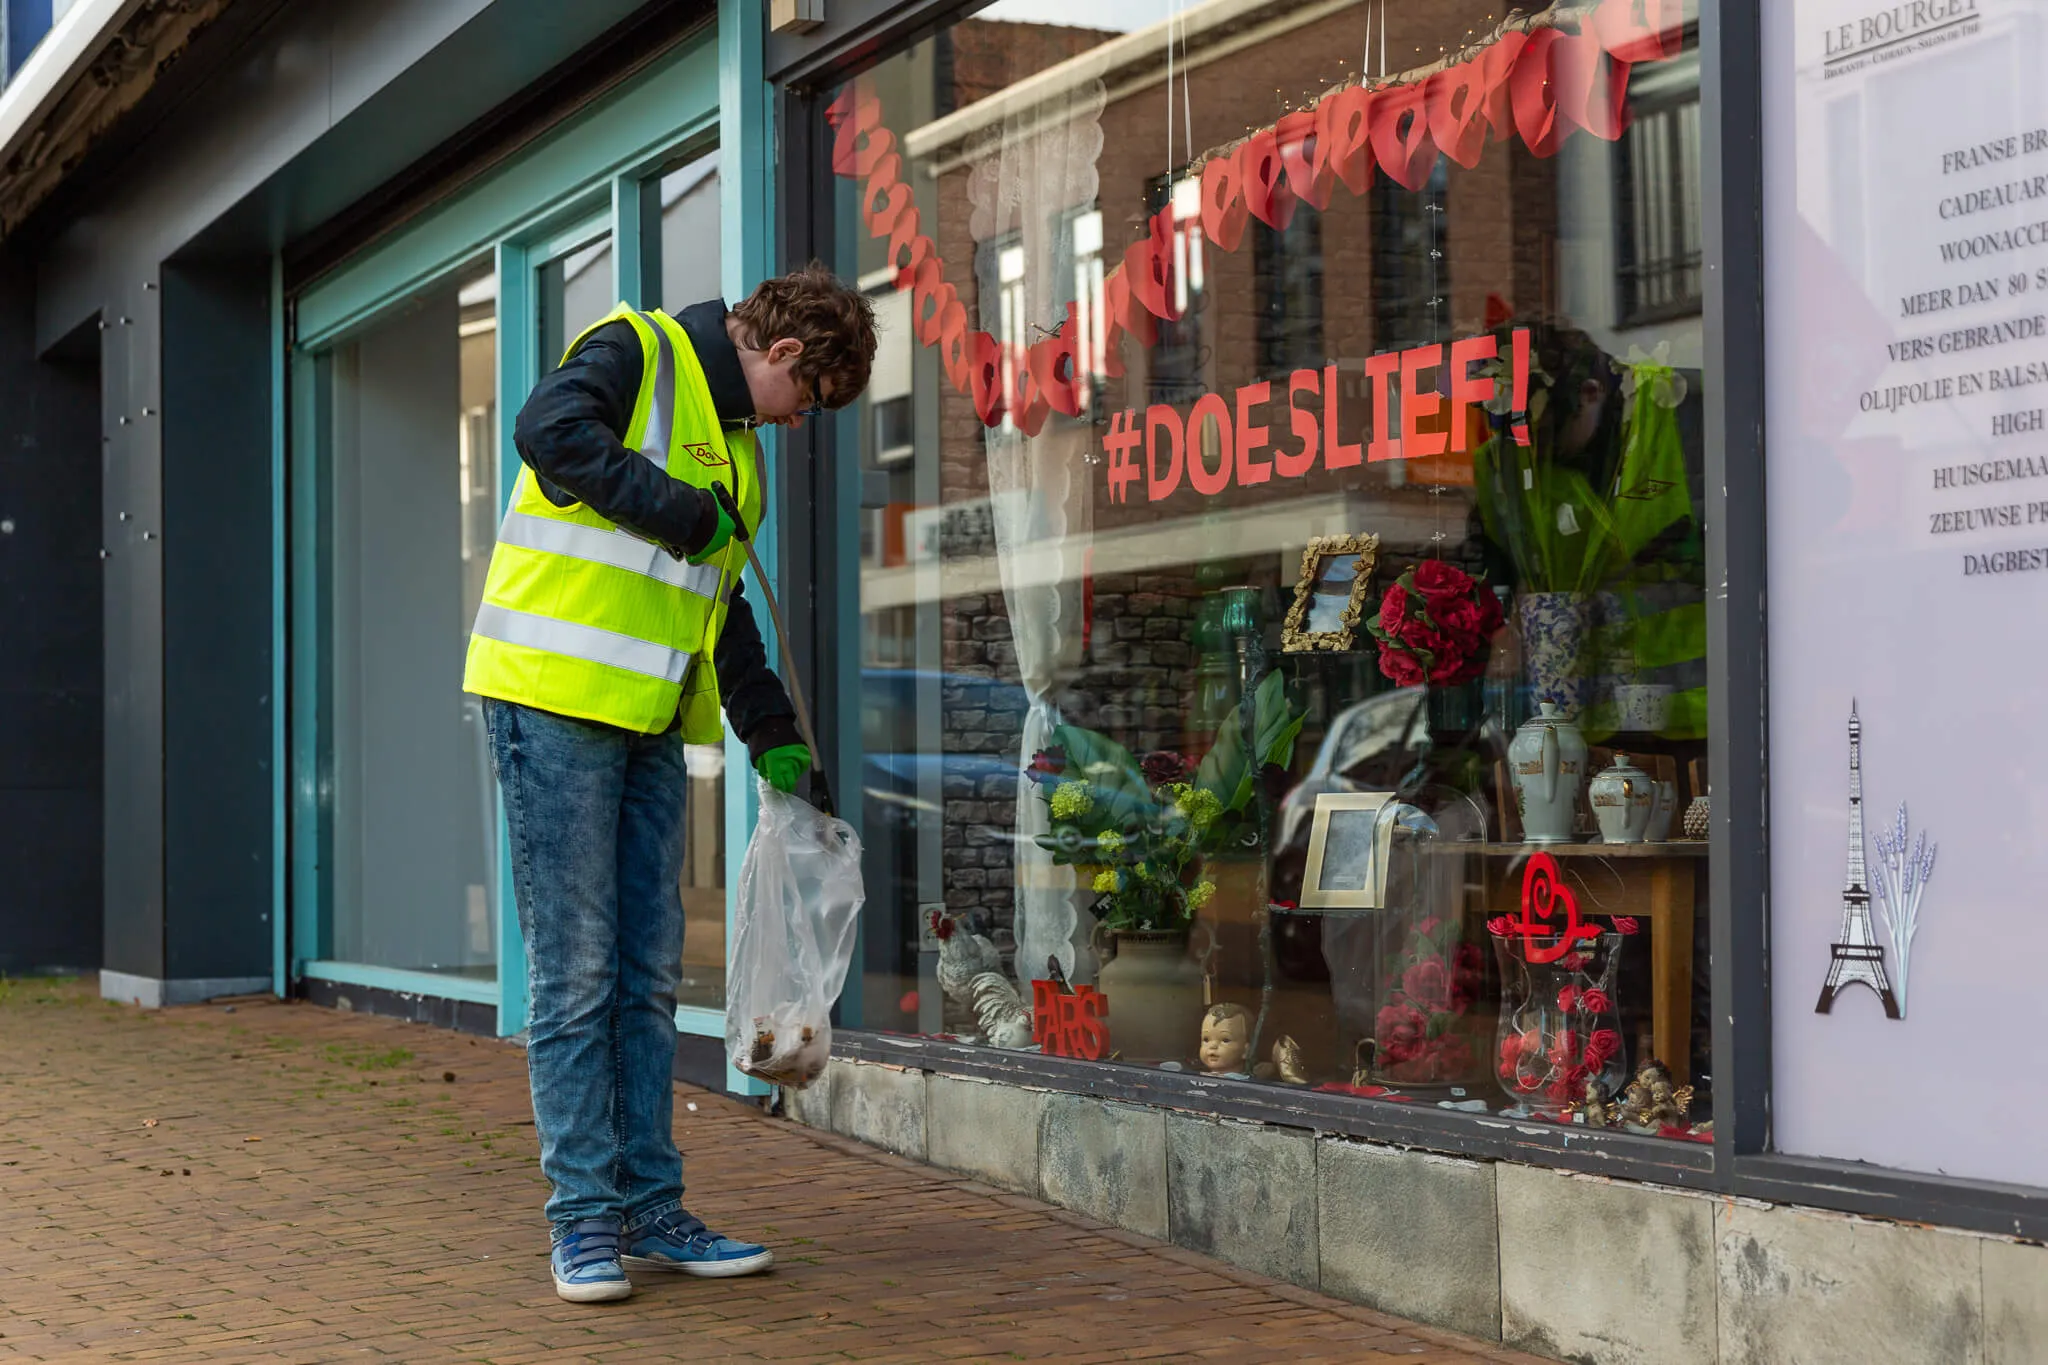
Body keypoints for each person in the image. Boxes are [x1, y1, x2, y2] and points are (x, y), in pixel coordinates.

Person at [463, 265, 877, 1303]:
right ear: (782, 354)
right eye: (807, 401)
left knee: (646, 977)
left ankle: (650, 1206)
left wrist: (773, 737)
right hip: (552, 700)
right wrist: (676, 512)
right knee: (575, 976)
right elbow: (546, 429)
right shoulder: (635, 351)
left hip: (649, 724)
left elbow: (719, 607)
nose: (796, 423)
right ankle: (583, 1223)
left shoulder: (740, 461)